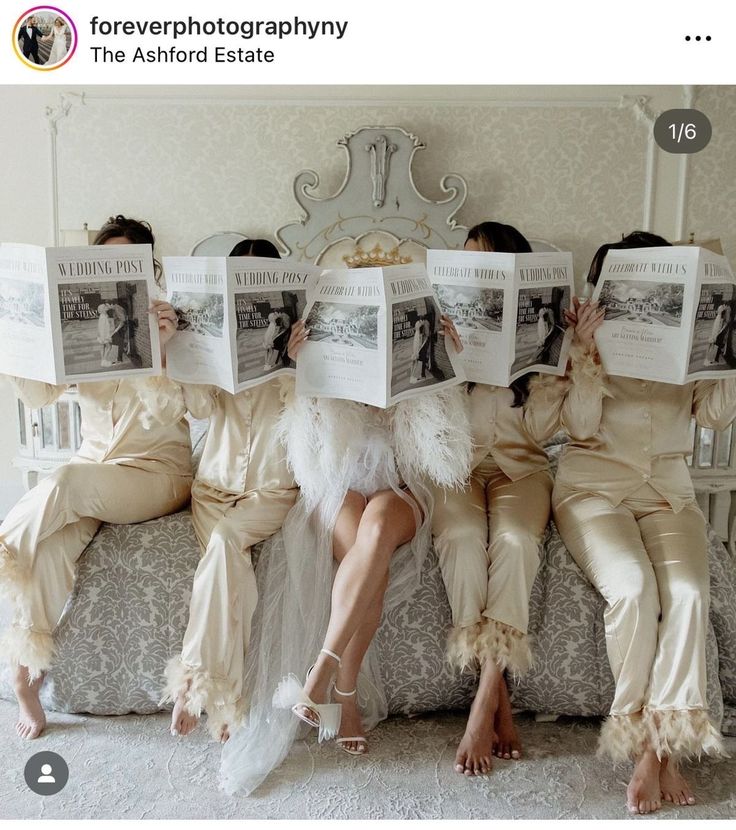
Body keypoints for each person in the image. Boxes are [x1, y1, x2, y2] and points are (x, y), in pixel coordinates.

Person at [219, 312, 471, 795]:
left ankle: (323, 672)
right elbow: (314, 455)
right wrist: (305, 373)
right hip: (339, 481)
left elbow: (445, 455)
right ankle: (345, 692)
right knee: (364, 549)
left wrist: (445, 366)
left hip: (400, 483)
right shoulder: (323, 348)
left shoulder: (424, 344)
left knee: (375, 533)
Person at [553, 231, 735, 814]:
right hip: (590, 486)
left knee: (688, 592)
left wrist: (728, 356)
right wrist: (584, 355)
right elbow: (578, 428)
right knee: (632, 588)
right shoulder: (583, 331)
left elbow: (714, 418)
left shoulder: (689, 336)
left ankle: (663, 747)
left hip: (667, 490)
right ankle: (644, 740)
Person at [0, 215, 192, 740]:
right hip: (94, 470)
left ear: (145, 263)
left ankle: (3, 545)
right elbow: (39, 395)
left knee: (64, 481)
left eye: (123, 259)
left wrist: (170, 345)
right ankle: (26, 678)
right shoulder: (84, 322)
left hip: (157, 473)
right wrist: (20, 338)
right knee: (53, 546)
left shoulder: (173, 315)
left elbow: (199, 403)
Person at [430, 221, 564, 776]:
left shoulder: (538, 336)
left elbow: (541, 431)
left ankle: (484, 696)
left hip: (521, 467)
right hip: (456, 467)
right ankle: (500, 698)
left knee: (513, 539)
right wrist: (445, 358)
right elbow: (425, 421)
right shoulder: (443, 330)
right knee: (462, 538)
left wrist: (549, 362)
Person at [159, 240, 298, 743]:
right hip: (212, 488)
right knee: (230, 571)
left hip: (272, 490)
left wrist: (296, 365)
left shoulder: (298, 344)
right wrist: (182, 350)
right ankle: (228, 701)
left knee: (223, 546)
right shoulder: (219, 339)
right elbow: (197, 409)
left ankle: (192, 684)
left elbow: (309, 423)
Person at [409, 316, 431, 383]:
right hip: (421, 341)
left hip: (421, 342)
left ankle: (422, 374)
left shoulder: (423, 323)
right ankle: (422, 374)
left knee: (421, 358)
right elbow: (425, 334)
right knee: (421, 358)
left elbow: (426, 334)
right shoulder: (421, 324)